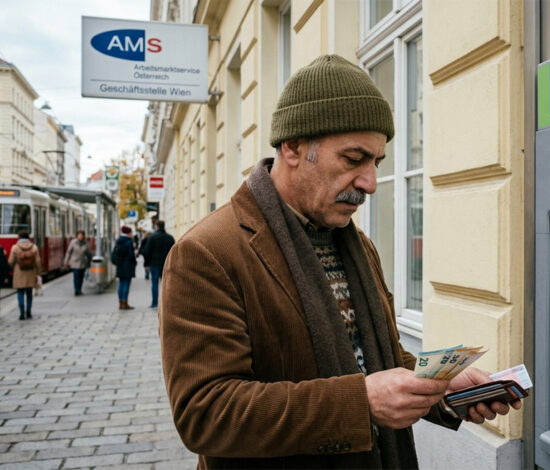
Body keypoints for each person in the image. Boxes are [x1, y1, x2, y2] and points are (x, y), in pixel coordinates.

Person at [159, 55, 520, 469]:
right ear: (293, 146)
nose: (370, 183)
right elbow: (204, 414)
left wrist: (442, 385)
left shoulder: (357, 245)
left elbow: (379, 360)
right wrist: (359, 403)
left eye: (376, 164)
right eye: (353, 159)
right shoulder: (207, 253)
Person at [8, 230, 41, 320]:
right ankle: (29, 311)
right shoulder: (34, 247)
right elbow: (38, 261)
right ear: (28, 237)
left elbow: (11, 261)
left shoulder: (15, 247)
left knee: (20, 292)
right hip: (31, 272)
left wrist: (9, 269)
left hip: (19, 272)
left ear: (19, 237)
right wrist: (39, 272)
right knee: (29, 293)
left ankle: (22, 312)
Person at [143, 220, 174, 308]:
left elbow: (147, 251)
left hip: (154, 263)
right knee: (166, 283)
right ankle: (167, 303)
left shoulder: (152, 237)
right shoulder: (169, 237)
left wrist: (146, 263)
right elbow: (173, 250)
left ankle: (155, 303)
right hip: (166, 263)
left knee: (154, 283)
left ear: (156, 226)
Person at [112, 225, 137, 310]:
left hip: (120, 265)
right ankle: (125, 303)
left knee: (121, 284)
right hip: (127, 265)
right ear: (129, 232)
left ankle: (120, 303)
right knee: (126, 284)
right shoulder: (129, 241)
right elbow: (131, 255)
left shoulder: (118, 240)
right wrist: (134, 261)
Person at [63, 230, 93, 296]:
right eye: (79, 235)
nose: (80, 236)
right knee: (76, 276)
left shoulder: (86, 243)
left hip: (82, 262)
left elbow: (89, 253)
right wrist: (66, 261)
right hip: (74, 262)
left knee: (81, 277)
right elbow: (68, 252)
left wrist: (91, 260)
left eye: (81, 235)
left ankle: (79, 289)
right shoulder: (73, 242)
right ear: (77, 236)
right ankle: (76, 290)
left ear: (83, 236)